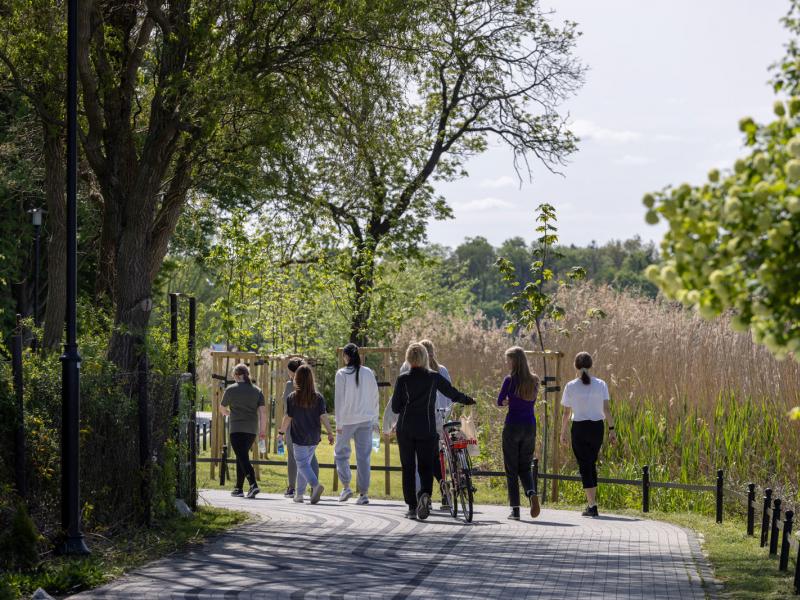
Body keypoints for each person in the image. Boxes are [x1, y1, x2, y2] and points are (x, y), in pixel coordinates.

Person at [391, 343, 475, 520]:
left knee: (408, 467)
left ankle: (412, 507)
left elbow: (396, 407)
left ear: (408, 358)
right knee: (426, 465)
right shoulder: (433, 377)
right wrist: (467, 399)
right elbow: (451, 393)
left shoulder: (403, 379)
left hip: (405, 428)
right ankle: (425, 494)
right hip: (427, 427)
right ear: (425, 358)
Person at [386, 339, 453, 509]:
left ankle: (418, 498)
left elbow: (398, 398)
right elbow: (449, 394)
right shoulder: (441, 371)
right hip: (438, 419)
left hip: (415, 421)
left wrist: (393, 420)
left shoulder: (407, 369)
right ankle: (442, 486)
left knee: (413, 464)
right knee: (432, 458)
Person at [559, 351, 617, 517]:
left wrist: (563, 433)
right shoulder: (601, 384)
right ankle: (592, 503)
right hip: (597, 428)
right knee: (590, 463)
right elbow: (606, 410)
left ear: (575, 366)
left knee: (585, 465)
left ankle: (592, 505)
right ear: (591, 365)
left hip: (579, 428)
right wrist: (612, 430)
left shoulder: (570, 386)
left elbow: (566, 413)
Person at [278, 364, 334, 504]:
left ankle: (315, 485)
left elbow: (287, 418)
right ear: (310, 379)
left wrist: (281, 432)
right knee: (305, 464)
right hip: (314, 437)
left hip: (299, 437)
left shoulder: (292, 397)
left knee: (302, 464)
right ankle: (299, 494)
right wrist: (330, 432)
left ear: (297, 379)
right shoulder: (318, 397)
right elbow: (323, 416)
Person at [497, 347, 541, 520]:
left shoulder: (509, 380)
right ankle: (531, 493)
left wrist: (507, 401)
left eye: (508, 360)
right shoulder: (535, 380)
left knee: (511, 469)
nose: (507, 363)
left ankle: (515, 510)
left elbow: (499, 401)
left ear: (514, 361)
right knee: (525, 466)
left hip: (513, 426)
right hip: (529, 426)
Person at [334, 343, 380, 505]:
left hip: (347, 420)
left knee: (340, 454)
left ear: (346, 357)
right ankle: (363, 494)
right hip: (366, 420)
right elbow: (375, 397)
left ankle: (346, 486)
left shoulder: (342, 374)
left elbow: (339, 400)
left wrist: (338, 423)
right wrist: (375, 420)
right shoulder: (368, 373)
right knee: (363, 458)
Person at [219, 363, 266, 499]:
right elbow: (263, 412)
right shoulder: (257, 390)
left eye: (234, 376)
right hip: (251, 430)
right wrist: (262, 431)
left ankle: (253, 484)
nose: (233, 378)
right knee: (242, 455)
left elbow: (222, 408)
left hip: (236, 429)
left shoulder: (231, 389)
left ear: (238, 375)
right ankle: (238, 488)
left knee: (242, 457)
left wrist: (228, 413)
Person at [282, 357, 319, 498]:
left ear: (292, 372)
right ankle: (313, 487)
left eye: (289, 372)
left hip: (294, 426)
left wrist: (282, 429)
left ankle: (292, 488)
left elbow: (287, 409)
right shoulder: (312, 385)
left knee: (293, 457)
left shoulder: (290, 385)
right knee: (311, 458)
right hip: (311, 426)